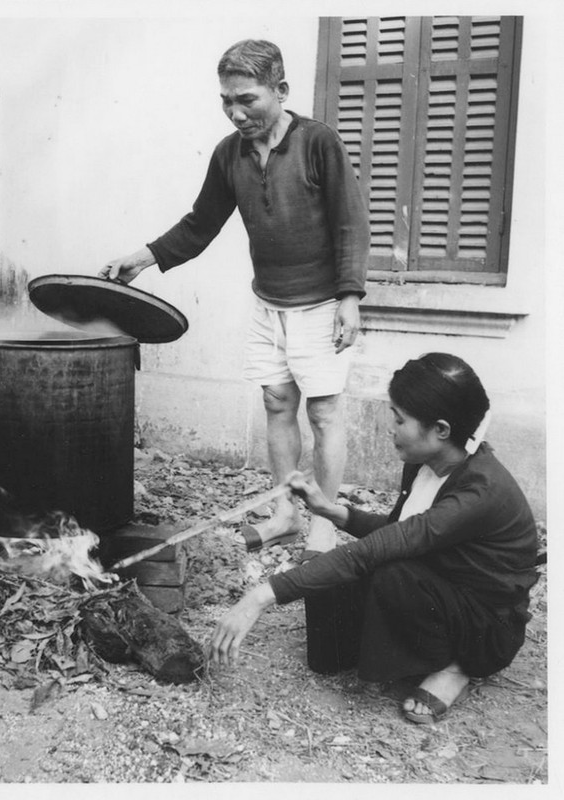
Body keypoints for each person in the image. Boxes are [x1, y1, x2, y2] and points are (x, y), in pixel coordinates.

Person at [100, 39, 370, 555]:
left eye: (248, 99)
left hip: (320, 304)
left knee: (324, 414)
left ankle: (326, 520)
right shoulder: (230, 154)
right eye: (226, 100)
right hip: (269, 301)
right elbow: (200, 225)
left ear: (280, 91)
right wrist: (140, 258)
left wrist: (350, 296)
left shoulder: (319, 143)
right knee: (276, 402)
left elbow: (351, 223)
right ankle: (286, 512)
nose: (236, 112)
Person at [209, 353, 539, 725]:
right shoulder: (424, 462)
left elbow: (384, 548)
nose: (390, 428)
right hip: (442, 584)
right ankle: (399, 648)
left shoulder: (479, 492)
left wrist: (259, 597)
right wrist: (331, 510)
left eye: (399, 419)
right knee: (328, 613)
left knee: (389, 571)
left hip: (485, 629)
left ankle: (454, 666)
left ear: (441, 430)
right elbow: (400, 529)